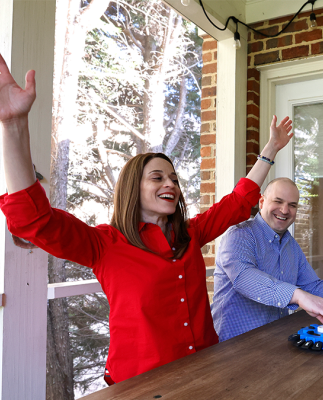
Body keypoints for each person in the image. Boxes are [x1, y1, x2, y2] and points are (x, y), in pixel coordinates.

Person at [0, 53, 293, 384]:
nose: (170, 184)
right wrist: (13, 126)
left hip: (205, 374)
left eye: (174, 178)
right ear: (132, 188)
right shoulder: (103, 245)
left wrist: (270, 150)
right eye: (157, 177)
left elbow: (237, 201)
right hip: (139, 387)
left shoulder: (191, 234)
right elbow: (34, 220)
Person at [211, 178, 323, 341]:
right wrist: (298, 296)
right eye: (278, 201)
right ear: (261, 202)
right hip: (234, 345)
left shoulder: (290, 245)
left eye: (292, 205)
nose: (285, 210)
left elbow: (313, 286)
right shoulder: (239, 235)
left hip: (275, 340)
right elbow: (245, 277)